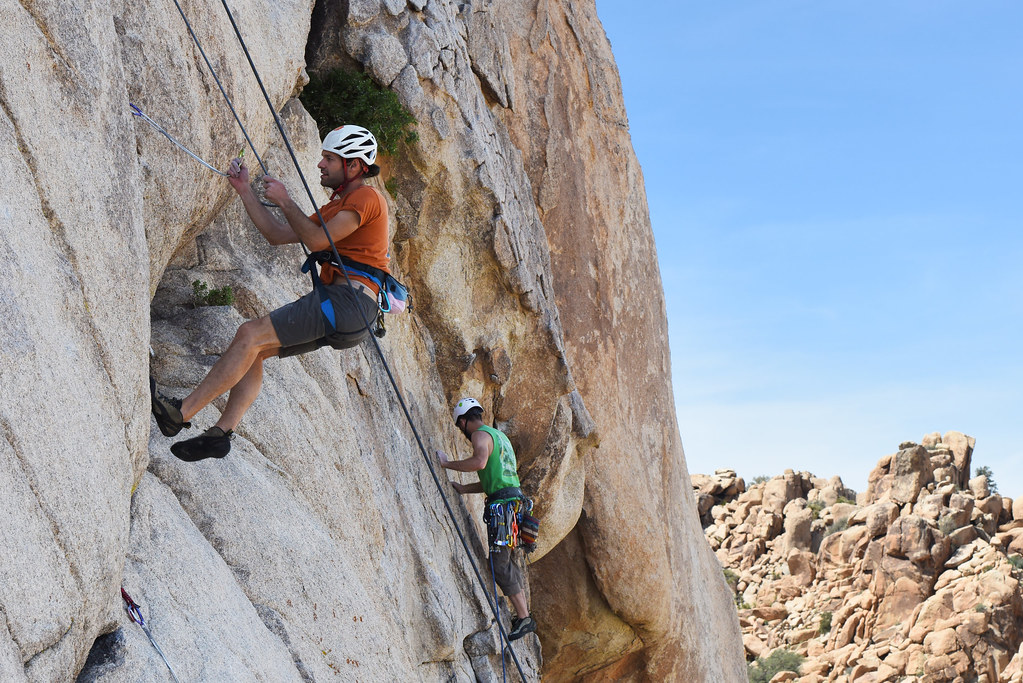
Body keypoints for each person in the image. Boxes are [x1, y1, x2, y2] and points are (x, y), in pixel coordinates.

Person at [150, 125, 389, 461]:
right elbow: (277, 234)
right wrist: (244, 190)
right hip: (351, 313)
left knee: (250, 334)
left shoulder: (367, 198)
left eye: (330, 159)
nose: (321, 164)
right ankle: (221, 434)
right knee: (256, 350)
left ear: (354, 166)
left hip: (348, 302)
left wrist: (286, 200)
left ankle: (179, 413)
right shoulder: (337, 208)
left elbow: (317, 241)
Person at [436, 398, 538, 641]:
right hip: (514, 505)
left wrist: (447, 464)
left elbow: (479, 462)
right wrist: (464, 489)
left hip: (503, 510)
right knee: (506, 561)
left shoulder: (479, 435)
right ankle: (524, 616)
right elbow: (493, 479)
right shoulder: (500, 438)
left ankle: (524, 618)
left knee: (498, 564)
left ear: (463, 422)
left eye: (460, 426)